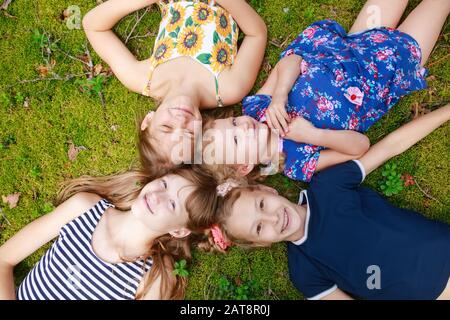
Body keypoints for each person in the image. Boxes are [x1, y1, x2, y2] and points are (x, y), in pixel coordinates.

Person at [203, 103, 450, 299]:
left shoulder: (327, 186)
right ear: (259, 243)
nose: (273, 218)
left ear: (267, 190)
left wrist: (445, 112)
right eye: (259, 227)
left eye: (262, 205)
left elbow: (389, 147)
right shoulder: (304, 272)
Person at [202, 0, 450, 182]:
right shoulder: (296, 162)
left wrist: (279, 95)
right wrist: (313, 135)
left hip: (355, 41)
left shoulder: (257, 109)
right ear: (245, 166)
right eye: (236, 138)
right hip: (387, 69)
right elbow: (360, 146)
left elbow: (292, 61)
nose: (243, 126)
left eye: (234, 122)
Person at [83, 0, 267, 170]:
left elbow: (93, 26)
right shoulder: (228, 88)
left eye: (166, 127)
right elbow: (256, 34)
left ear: (148, 121)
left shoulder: (142, 78)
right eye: (188, 133)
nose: (180, 120)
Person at [0, 167, 218, 300]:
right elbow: (4, 259)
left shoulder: (155, 277)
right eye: (164, 183)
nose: (157, 195)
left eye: (172, 204)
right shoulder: (85, 208)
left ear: (178, 230)